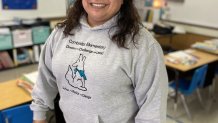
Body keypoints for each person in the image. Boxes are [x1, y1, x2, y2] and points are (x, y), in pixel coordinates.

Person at [31, 0, 168, 123]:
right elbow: (45, 79)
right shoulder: (61, 32)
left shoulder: (143, 45)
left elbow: (152, 111)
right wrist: (39, 115)